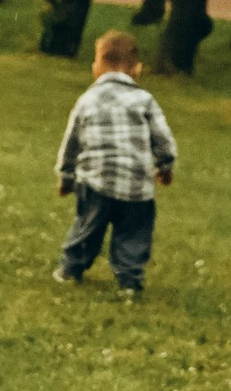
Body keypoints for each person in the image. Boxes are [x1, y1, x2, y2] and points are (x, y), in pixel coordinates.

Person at [52, 28, 174, 298]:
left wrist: (66, 177)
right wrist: (165, 165)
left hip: (96, 181)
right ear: (136, 70)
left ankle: (71, 270)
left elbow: (71, 142)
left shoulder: (87, 100)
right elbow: (162, 138)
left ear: (96, 68)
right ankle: (129, 282)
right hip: (137, 186)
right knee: (133, 235)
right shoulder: (145, 100)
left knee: (87, 228)